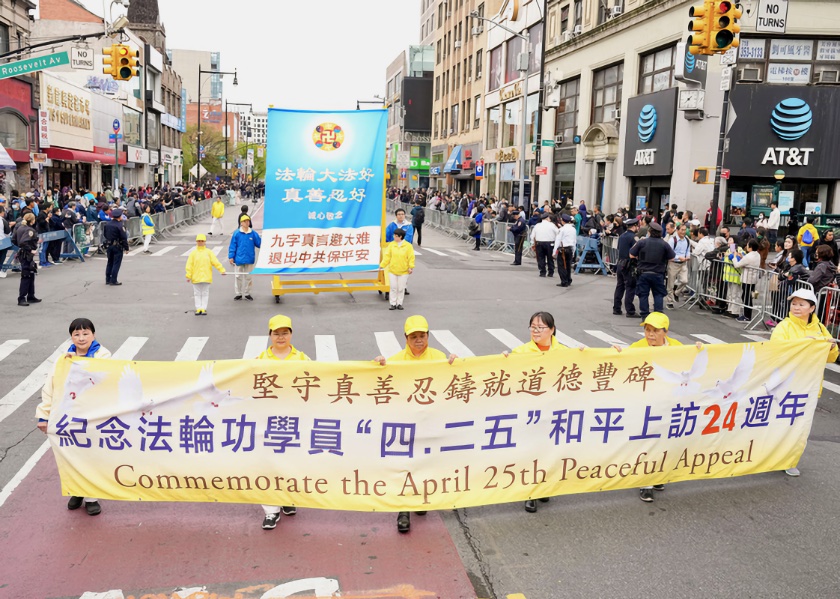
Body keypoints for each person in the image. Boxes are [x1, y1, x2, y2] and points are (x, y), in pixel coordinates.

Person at [374, 315, 457, 532]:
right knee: (405, 465)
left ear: (428, 335)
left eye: (422, 335)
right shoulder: (396, 360)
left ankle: (419, 498)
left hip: (430, 421)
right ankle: (403, 510)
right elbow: (382, 384)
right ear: (405, 337)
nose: (418, 340)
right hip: (405, 423)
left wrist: (454, 365)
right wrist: (378, 366)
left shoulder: (439, 357)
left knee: (425, 462)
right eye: (413, 336)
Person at [612, 312, 703, 501]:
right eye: (647, 330)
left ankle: (657, 475)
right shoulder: (638, 347)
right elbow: (622, 362)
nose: (650, 335)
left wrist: (698, 350)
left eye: (655, 331)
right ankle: (646, 483)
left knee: (664, 441)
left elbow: (693, 363)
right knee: (648, 441)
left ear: (665, 332)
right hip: (646, 405)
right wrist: (616, 352)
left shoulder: (677, 347)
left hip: (669, 404)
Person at [36, 318, 111, 515]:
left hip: (94, 415)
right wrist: (43, 416)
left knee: (92, 455)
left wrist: (79, 365)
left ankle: (91, 497)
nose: (81, 338)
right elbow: (50, 386)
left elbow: (107, 380)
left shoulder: (103, 355)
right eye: (76, 334)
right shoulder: (63, 359)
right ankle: (77, 490)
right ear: (71, 337)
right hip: (69, 415)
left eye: (85, 333)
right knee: (71, 455)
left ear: (93, 335)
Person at [770, 289, 839, 476]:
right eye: (794, 304)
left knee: (801, 426)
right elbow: (776, 351)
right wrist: (803, 343)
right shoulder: (784, 326)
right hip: (787, 385)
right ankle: (771, 456)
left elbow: (831, 358)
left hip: (810, 385)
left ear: (812, 308)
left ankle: (790, 460)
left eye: (801, 304)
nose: (796, 308)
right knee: (781, 423)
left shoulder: (819, 328)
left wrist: (832, 347)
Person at [503, 311, 564, 512]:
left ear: (552, 330)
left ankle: (544, 486)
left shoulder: (565, 352)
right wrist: (503, 361)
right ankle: (530, 491)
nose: (536, 331)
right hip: (531, 413)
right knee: (531, 451)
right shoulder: (521, 353)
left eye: (540, 327)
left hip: (555, 412)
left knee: (549, 450)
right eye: (533, 327)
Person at [256, 314, 308, 528]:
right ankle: (271, 510)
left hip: (294, 421)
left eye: (284, 333)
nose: (280, 337)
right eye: (276, 333)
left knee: (291, 463)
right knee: (269, 465)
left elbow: (325, 377)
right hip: (268, 422)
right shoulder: (259, 361)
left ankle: (288, 499)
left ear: (291, 334)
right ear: (269, 335)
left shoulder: (302, 358)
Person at [630, 222, 675, 318]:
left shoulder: (642, 242)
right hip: (658, 273)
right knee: (658, 295)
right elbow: (672, 258)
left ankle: (645, 316)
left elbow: (631, 254)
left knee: (643, 295)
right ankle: (658, 316)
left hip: (643, 273)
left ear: (650, 231)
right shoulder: (664, 244)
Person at [185, 234, 226, 315]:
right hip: (196, 277)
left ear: (205, 242)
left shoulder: (209, 252)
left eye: (202, 241)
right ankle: (198, 308)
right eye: (199, 241)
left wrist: (221, 270)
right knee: (197, 293)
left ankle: (203, 308)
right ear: (196, 242)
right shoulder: (193, 253)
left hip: (206, 277)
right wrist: (188, 275)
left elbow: (215, 262)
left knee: (204, 293)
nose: (200, 242)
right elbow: (189, 265)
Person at [379, 228, 415, 310]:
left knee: (401, 288)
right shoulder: (391, 245)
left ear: (400, 237)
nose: (394, 237)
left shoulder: (408, 246)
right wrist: (382, 265)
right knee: (393, 287)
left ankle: (399, 303)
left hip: (404, 271)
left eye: (395, 236)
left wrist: (411, 267)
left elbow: (411, 257)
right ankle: (392, 303)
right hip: (392, 270)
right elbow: (387, 256)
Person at [228, 214, 261, 301]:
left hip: (249, 258)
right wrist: (231, 256)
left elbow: (259, 243)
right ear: (241, 223)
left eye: (248, 221)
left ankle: (247, 293)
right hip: (239, 259)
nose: (247, 222)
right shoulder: (237, 233)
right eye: (245, 221)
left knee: (248, 277)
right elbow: (232, 246)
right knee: (238, 276)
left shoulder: (253, 233)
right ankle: (238, 293)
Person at [614, 217, 640, 316]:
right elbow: (636, 250)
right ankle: (630, 310)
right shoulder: (634, 237)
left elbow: (618, 248)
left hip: (620, 262)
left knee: (620, 286)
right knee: (630, 286)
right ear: (634, 226)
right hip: (629, 264)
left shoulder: (622, 236)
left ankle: (616, 308)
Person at [12, 213, 40, 306]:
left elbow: (14, 240)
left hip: (23, 253)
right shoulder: (29, 230)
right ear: (32, 220)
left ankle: (31, 295)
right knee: (26, 275)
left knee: (31, 273)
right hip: (26, 254)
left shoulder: (19, 228)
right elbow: (23, 242)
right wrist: (30, 249)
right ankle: (22, 298)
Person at [732, 239, 761, 322]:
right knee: (749, 297)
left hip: (747, 279)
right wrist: (742, 257)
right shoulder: (757, 255)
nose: (747, 246)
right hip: (753, 279)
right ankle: (747, 315)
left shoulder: (749, 256)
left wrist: (735, 257)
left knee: (746, 297)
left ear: (750, 247)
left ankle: (746, 316)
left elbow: (737, 265)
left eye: (748, 245)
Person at [666, 223, 691, 309]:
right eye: (682, 230)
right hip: (673, 263)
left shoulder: (687, 240)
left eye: (685, 230)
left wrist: (687, 256)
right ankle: (669, 302)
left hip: (683, 263)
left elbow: (688, 250)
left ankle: (676, 293)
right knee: (670, 283)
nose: (683, 232)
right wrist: (678, 257)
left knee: (685, 281)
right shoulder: (672, 240)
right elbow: (669, 252)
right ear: (677, 230)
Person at [102, 209, 129, 286]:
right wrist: (126, 248)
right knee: (116, 263)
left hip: (109, 245)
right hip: (117, 246)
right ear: (119, 217)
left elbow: (105, 234)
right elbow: (124, 237)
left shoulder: (107, 224)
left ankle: (108, 279)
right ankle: (113, 280)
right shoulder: (120, 226)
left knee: (110, 262)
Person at [530, 213, 558, 278]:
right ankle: (551, 272)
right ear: (547, 218)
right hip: (550, 244)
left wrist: (532, 243)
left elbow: (532, 235)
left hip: (539, 243)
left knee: (541, 258)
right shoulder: (552, 225)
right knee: (550, 258)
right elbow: (558, 233)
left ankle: (542, 272)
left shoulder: (537, 225)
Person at [553, 213, 577, 288]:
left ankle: (564, 281)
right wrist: (573, 251)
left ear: (562, 221)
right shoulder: (573, 229)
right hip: (570, 248)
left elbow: (558, 240)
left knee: (561, 266)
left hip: (563, 249)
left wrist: (554, 252)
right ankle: (568, 279)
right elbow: (574, 241)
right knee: (568, 265)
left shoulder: (562, 229)